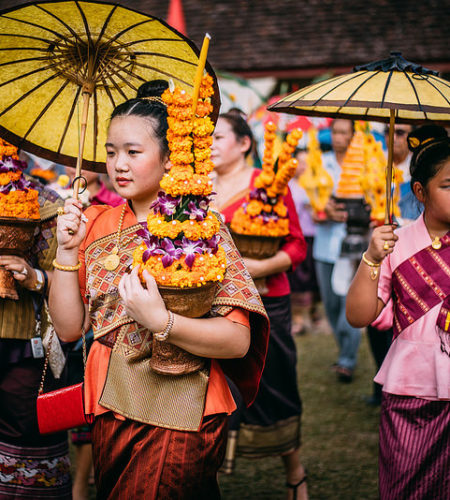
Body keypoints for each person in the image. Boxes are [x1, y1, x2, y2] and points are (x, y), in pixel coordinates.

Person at [48, 80, 269, 499]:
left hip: (183, 405)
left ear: (170, 159)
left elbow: (238, 341)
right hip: (111, 402)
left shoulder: (202, 229)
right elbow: (68, 329)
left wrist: (163, 322)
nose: (118, 164)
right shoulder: (94, 223)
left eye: (133, 152)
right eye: (111, 152)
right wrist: (66, 251)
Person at [346, 125, 450, 499]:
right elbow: (359, 315)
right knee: (405, 486)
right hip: (411, 391)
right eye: (448, 185)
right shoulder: (396, 243)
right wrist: (372, 258)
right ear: (419, 192)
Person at [211, 111, 308, 500]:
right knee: (216, 389)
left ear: (245, 143)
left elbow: (297, 245)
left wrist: (257, 267)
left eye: (218, 137)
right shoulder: (197, 185)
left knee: (276, 383)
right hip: (216, 304)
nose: (210, 144)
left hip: (269, 301)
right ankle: (209, 474)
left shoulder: (266, 184)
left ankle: (295, 473)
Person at [0, 144, 71, 498]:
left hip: (24, 345)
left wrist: (34, 278)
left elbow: (71, 283)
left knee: (26, 437)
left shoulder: (48, 207)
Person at [366, 123, 422, 406]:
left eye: (402, 133)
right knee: (375, 320)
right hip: (380, 254)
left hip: (411, 257)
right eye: (391, 132)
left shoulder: (419, 172)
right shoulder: (376, 165)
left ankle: (402, 384)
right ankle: (380, 381)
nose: (395, 138)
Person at [313, 119, 361, 382]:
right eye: (336, 131)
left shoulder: (363, 163)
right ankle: (344, 348)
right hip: (325, 245)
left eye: (344, 132)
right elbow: (311, 204)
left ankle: (347, 359)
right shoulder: (320, 162)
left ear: (353, 135)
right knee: (331, 305)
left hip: (354, 245)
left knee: (348, 306)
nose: (339, 136)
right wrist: (323, 211)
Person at [288, 147, 321, 335]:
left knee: (313, 277)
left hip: (316, 236)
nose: (303, 166)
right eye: (300, 162)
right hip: (298, 236)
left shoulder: (317, 183)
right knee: (298, 278)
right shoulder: (290, 185)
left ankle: (314, 312)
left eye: (307, 162)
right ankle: (298, 318)